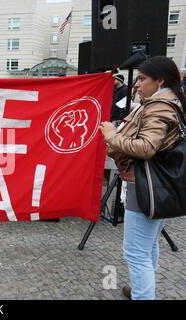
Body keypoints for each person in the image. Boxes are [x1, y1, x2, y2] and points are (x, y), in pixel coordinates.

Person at [99, 56, 186, 300]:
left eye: (142, 79)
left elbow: (146, 147)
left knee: (136, 252)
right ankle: (140, 290)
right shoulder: (172, 103)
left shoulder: (159, 106)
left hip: (145, 185)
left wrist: (111, 135)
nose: (136, 84)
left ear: (159, 81)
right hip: (158, 185)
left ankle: (142, 295)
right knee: (149, 246)